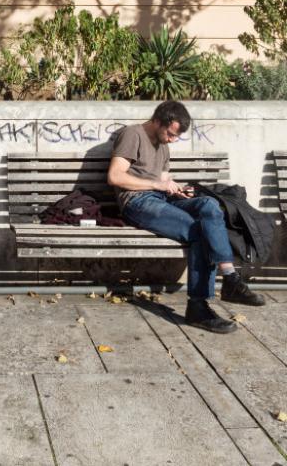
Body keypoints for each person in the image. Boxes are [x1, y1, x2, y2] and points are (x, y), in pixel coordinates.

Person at [107, 100, 265, 334]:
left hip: (161, 199)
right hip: (137, 202)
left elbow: (162, 180)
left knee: (210, 205)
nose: (172, 139)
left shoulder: (163, 145)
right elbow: (115, 176)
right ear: (157, 121)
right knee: (200, 231)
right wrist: (156, 184)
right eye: (170, 134)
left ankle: (230, 277)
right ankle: (198, 308)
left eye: (176, 137)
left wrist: (176, 189)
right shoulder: (133, 135)